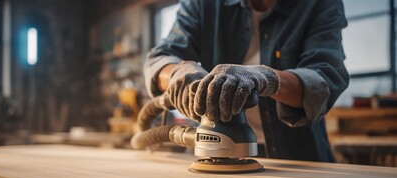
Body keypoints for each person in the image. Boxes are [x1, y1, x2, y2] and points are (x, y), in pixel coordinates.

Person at [143, 0, 349, 162]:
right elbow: (160, 59)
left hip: (298, 156)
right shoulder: (203, 3)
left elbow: (324, 79)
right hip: (213, 154)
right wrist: (179, 74)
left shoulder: (319, 3)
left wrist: (268, 79)